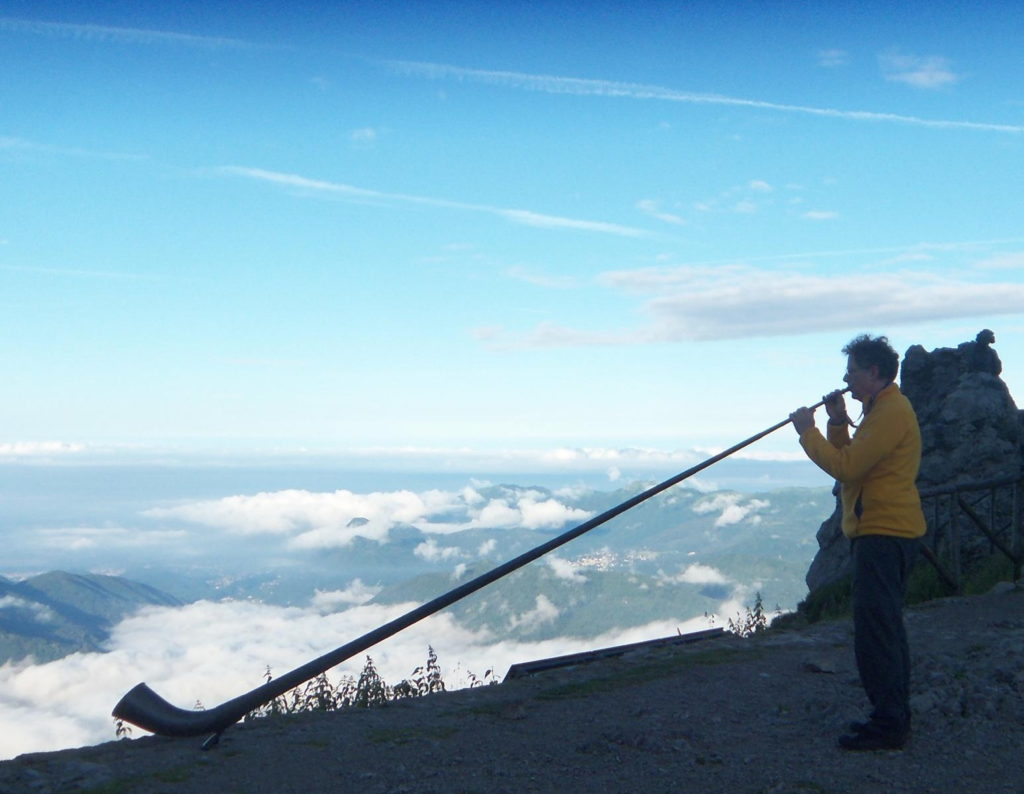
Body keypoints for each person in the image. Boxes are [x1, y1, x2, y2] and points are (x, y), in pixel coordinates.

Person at [789, 334, 925, 751]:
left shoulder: (889, 413)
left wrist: (806, 432)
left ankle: (887, 725)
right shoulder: (880, 410)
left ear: (873, 373)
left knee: (876, 631)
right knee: (885, 627)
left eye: (851, 371)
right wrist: (835, 421)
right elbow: (855, 461)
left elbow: (846, 469)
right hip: (885, 532)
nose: (845, 378)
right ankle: (892, 715)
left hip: (884, 535)